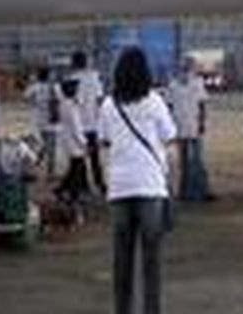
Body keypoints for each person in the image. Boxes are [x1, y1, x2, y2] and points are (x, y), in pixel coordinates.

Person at [98, 48, 176, 314]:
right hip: (150, 186)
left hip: (120, 187)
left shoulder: (109, 105)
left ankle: (122, 310)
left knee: (122, 260)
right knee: (151, 261)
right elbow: (169, 136)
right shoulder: (155, 101)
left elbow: (104, 140)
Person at [167, 55, 215, 202]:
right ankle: (186, 191)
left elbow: (201, 105)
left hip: (190, 125)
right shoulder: (173, 85)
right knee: (186, 161)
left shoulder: (196, 83)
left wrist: (201, 122)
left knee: (196, 160)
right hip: (181, 126)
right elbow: (169, 106)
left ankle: (202, 191)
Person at [71, 51, 107, 195]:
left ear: (74, 64)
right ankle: (100, 183)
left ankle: (84, 185)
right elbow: (100, 99)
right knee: (95, 156)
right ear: (86, 62)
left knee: (79, 156)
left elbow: (70, 102)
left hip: (78, 124)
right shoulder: (94, 77)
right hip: (93, 123)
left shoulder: (71, 79)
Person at [55, 78, 90, 206]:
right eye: (75, 89)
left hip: (68, 141)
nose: (77, 91)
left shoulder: (64, 104)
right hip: (75, 142)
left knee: (74, 168)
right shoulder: (72, 107)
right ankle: (72, 193)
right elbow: (77, 127)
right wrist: (84, 142)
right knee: (77, 168)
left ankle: (62, 190)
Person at [24, 66, 61, 177]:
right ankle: (50, 171)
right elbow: (60, 100)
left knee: (43, 144)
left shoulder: (35, 87)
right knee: (51, 147)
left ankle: (37, 161)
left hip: (40, 119)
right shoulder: (54, 87)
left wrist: (35, 103)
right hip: (52, 119)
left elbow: (26, 97)